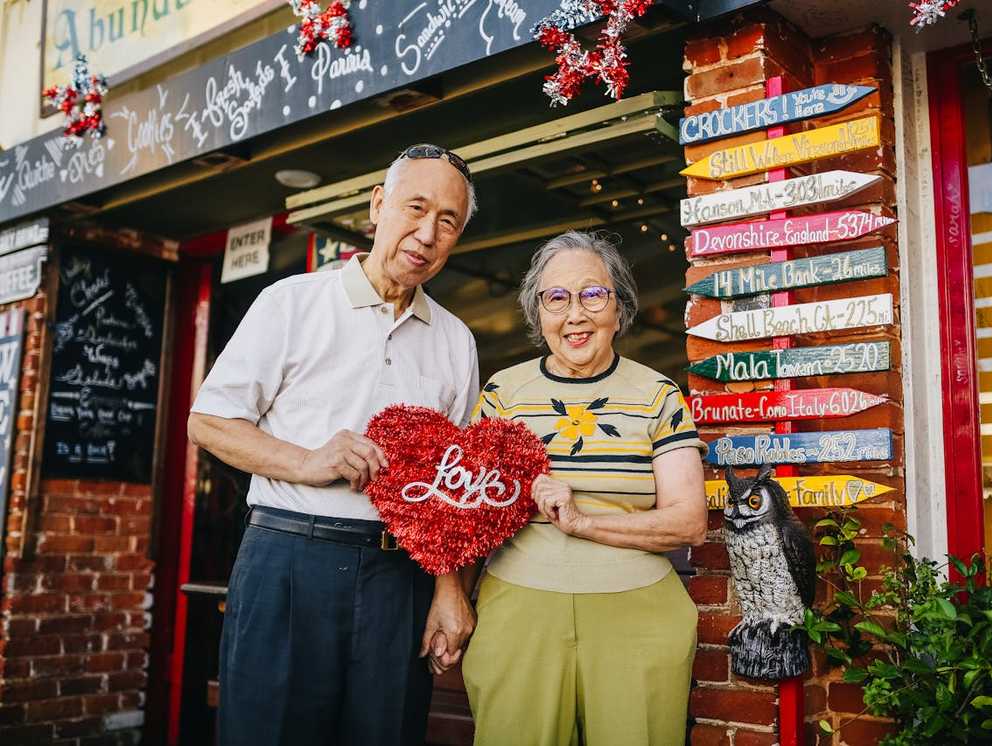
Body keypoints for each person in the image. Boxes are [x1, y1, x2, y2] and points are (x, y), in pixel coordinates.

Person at [187, 144, 480, 746]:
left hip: (400, 577)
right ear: (378, 206)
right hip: (289, 558)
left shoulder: (456, 339)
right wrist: (307, 460)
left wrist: (450, 590)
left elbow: (455, 487)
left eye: (446, 221)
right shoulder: (292, 302)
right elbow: (210, 422)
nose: (426, 233)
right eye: (414, 208)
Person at [463, 230, 709, 745]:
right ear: (538, 315)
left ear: (619, 309)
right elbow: (466, 515)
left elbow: (689, 522)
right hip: (518, 611)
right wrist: (451, 597)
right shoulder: (503, 395)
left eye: (593, 294)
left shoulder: (657, 395)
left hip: (638, 615)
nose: (575, 314)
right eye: (557, 298)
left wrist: (585, 523)